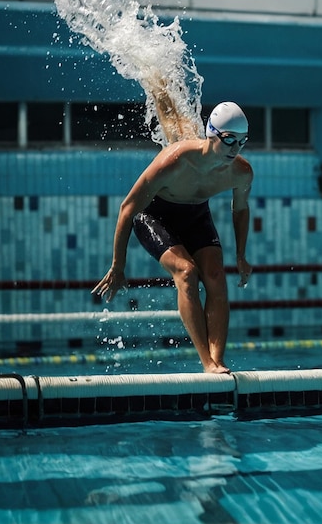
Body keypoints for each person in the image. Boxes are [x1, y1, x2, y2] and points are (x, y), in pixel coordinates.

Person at [92, 91, 253, 374]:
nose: (235, 148)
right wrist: (118, 265)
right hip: (154, 216)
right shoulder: (174, 161)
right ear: (212, 134)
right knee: (187, 273)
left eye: (242, 141)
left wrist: (241, 255)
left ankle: (219, 361)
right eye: (229, 139)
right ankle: (207, 363)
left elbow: (240, 209)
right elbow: (128, 209)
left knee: (216, 276)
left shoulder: (241, 172)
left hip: (196, 216)